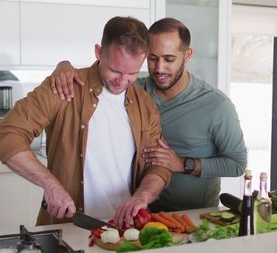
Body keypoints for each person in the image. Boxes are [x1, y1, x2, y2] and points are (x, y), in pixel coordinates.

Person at [0, 16, 171, 229]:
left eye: (132, 73)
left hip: (127, 231)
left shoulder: (145, 104)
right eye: (115, 70)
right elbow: (5, 136)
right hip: (68, 228)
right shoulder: (64, 86)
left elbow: (157, 166)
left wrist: (143, 196)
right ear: (98, 52)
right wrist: (50, 185)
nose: (122, 82)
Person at [49, 18, 247, 212]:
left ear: (187, 56)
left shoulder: (216, 106)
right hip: (140, 211)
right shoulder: (134, 89)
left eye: (169, 59)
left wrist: (184, 164)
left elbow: (237, 164)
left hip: (193, 215)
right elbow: (108, 68)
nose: (159, 68)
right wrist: (64, 66)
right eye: (152, 58)